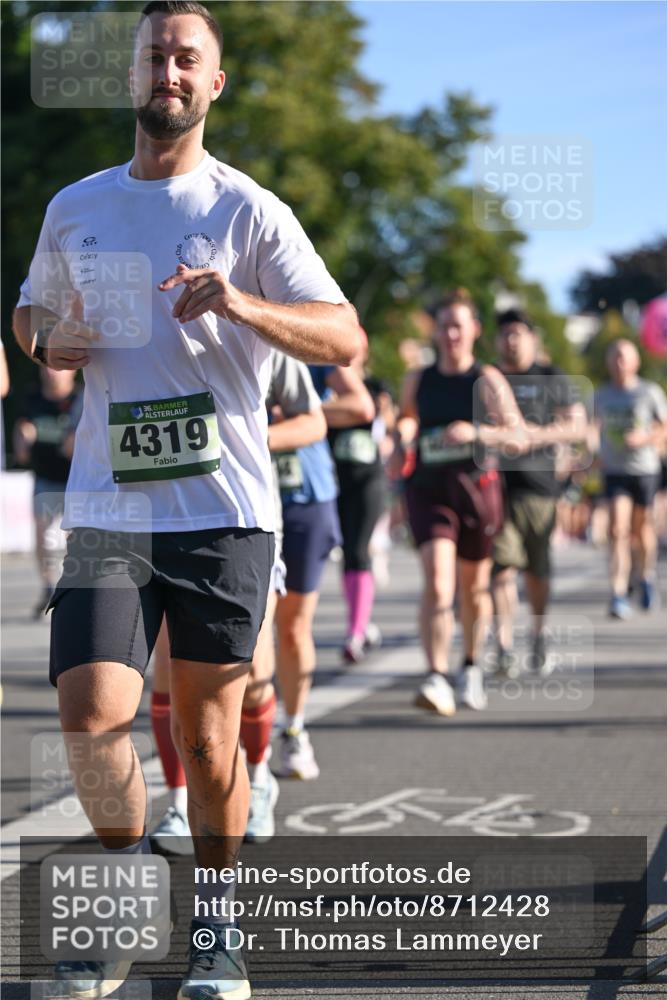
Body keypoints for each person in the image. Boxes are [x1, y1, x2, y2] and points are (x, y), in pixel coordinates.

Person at [12, 4, 359, 1000]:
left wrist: (243, 302)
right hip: (110, 509)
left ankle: (217, 928)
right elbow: (32, 304)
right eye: (154, 55)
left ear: (214, 84)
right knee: (90, 715)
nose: (168, 70)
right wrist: (47, 338)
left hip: (222, 513)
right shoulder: (76, 203)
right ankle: (122, 908)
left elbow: (345, 339)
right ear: (132, 78)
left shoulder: (249, 210)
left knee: (207, 743)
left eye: (186, 58)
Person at [150, 351, 327, 849]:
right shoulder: (135, 313)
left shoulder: (256, 318)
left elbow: (312, 421)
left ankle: (259, 775)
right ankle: (179, 804)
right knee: (167, 671)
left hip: (242, 522)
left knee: (249, 674)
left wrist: (246, 435)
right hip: (159, 519)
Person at [396, 289, 527, 716]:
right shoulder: (419, 378)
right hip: (429, 488)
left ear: (473, 330)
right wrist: (403, 432)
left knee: (474, 588)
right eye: (444, 325)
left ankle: (470, 665)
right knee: (438, 582)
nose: (451, 333)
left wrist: (477, 433)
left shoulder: (486, 380)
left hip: (476, 491)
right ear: (435, 331)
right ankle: (435, 675)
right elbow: (408, 414)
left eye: (459, 325)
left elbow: (518, 435)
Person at [274, 361, 373, 778]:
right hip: (237, 497)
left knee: (293, 628)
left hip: (305, 499)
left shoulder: (303, 334)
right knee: (251, 632)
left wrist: (300, 412)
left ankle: (294, 727)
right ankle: (249, 744)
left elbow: (359, 405)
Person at [491, 309, 587, 675]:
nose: (511, 341)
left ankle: (539, 633)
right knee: (501, 568)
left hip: (539, 490)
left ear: (533, 338)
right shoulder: (490, 377)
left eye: (517, 333)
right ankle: (503, 645)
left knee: (536, 571)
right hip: (496, 489)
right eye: (504, 334)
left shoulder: (551, 377)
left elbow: (576, 426)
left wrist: (533, 435)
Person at [329, 329, 394, 662]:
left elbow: (392, 425)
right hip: (337, 482)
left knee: (358, 549)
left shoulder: (376, 389)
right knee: (348, 550)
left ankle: (355, 633)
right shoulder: (327, 392)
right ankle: (362, 622)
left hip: (370, 481)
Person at [594, 339, 667, 618]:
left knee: (643, 532)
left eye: (624, 357)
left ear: (635, 362)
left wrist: (645, 437)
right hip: (615, 470)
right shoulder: (601, 396)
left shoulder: (649, 392)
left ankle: (645, 575)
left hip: (645, 469)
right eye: (614, 357)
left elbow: (664, 428)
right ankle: (618, 592)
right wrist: (589, 453)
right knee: (617, 529)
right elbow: (591, 427)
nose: (619, 362)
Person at [12, 367, 82, 616]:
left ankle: (76, 586)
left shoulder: (80, 399)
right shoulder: (33, 398)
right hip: (45, 477)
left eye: (59, 369)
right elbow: (22, 431)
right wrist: (22, 440)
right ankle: (47, 584)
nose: (53, 373)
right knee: (41, 534)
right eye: (48, 368)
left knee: (76, 536)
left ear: (73, 373)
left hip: (75, 479)